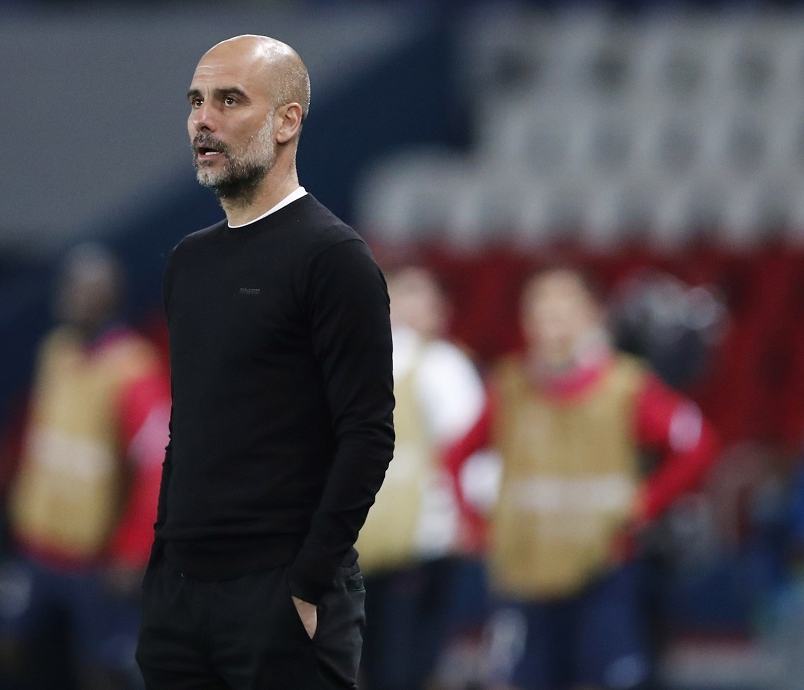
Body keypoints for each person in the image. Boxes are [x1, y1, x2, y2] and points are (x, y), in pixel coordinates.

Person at [135, 35, 395, 690]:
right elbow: (187, 431)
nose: (203, 119)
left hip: (281, 597)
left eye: (229, 100)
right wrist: (162, 570)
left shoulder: (333, 259)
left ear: (287, 120)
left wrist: (308, 584)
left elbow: (368, 436)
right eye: (196, 101)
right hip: (180, 598)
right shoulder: (187, 262)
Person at [445, 263, 720, 690]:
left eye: (566, 307)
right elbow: (454, 455)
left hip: (601, 570)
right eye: (542, 309)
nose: (554, 321)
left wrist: (647, 502)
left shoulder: (625, 387)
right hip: (526, 575)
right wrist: (475, 525)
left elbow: (696, 443)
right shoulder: (511, 389)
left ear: (593, 316)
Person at [0, 244, 170, 690]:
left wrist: (133, 549)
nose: (72, 295)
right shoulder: (56, 351)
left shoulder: (134, 369)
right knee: (7, 651)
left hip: (95, 557)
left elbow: (159, 465)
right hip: (34, 545)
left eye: (85, 287)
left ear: (109, 295)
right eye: (70, 284)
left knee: (103, 670)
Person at [356, 265, 486, 690]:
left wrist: (467, 517)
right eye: (398, 293)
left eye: (418, 296)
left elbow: (471, 449)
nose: (406, 307)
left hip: (423, 542)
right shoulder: (345, 362)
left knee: (403, 666)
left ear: (439, 312)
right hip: (355, 546)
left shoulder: (445, 368)